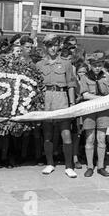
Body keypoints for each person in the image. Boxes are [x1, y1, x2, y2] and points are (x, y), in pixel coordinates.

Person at [36, 34, 78, 178]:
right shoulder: (40, 65)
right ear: (45, 47)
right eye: (49, 45)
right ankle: (50, 163)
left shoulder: (66, 64)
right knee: (47, 133)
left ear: (59, 46)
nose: (53, 48)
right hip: (46, 99)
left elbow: (71, 84)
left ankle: (68, 166)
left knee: (65, 132)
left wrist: (72, 104)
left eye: (55, 45)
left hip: (61, 98)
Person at [79, 56, 109, 177]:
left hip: (103, 111)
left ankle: (101, 166)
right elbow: (85, 95)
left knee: (101, 139)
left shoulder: (106, 76)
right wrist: (102, 99)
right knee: (89, 139)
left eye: (99, 65)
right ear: (90, 65)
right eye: (94, 65)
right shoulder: (85, 77)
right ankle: (89, 166)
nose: (97, 68)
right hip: (89, 110)